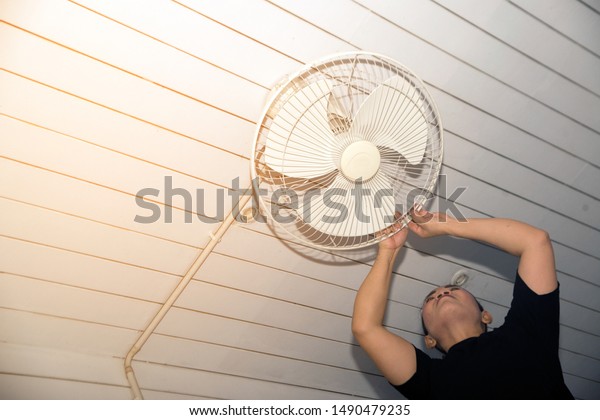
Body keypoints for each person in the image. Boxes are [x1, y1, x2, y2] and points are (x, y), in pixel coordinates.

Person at [352, 208, 574, 399]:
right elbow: (366, 328)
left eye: (453, 289)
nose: (441, 294)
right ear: (429, 340)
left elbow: (536, 242)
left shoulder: (525, 333)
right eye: (431, 299)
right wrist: (387, 252)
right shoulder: (428, 381)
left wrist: (448, 225)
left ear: (485, 316)